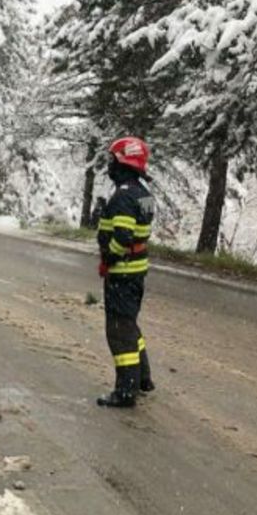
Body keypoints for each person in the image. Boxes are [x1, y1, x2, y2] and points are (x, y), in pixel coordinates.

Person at [96, 137, 156, 408]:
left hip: (121, 274)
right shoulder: (142, 193)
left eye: (113, 159)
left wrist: (108, 256)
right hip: (136, 273)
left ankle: (125, 391)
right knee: (130, 324)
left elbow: (122, 236)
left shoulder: (123, 196)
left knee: (119, 331)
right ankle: (143, 377)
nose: (109, 165)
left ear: (124, 162)